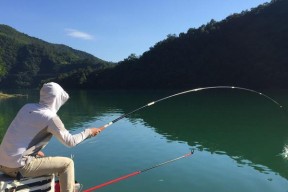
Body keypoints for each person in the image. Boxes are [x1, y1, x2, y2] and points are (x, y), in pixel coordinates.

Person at [0, 82, 102, 192]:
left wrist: (34, 151)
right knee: (67, 164)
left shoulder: (27, 107)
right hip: (17, 167)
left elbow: (21, 135)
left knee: (41, 156)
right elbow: (70, 142)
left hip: (3, 163)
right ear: (57, 99)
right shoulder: (51, 117)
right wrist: (89, 132)